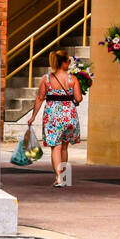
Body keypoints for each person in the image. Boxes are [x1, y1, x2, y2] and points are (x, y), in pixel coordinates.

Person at [28, 49, 83, 187]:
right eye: (68, 61)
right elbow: (78, 98)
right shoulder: (73, 79)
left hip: (53, 116)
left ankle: (59, 178)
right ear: (64, 62)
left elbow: (40, 98)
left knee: (56, 147)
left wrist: (33, 117)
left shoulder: (46, 79)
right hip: (69, 115)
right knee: (64, 147)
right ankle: (64, 178)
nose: (70, 63)